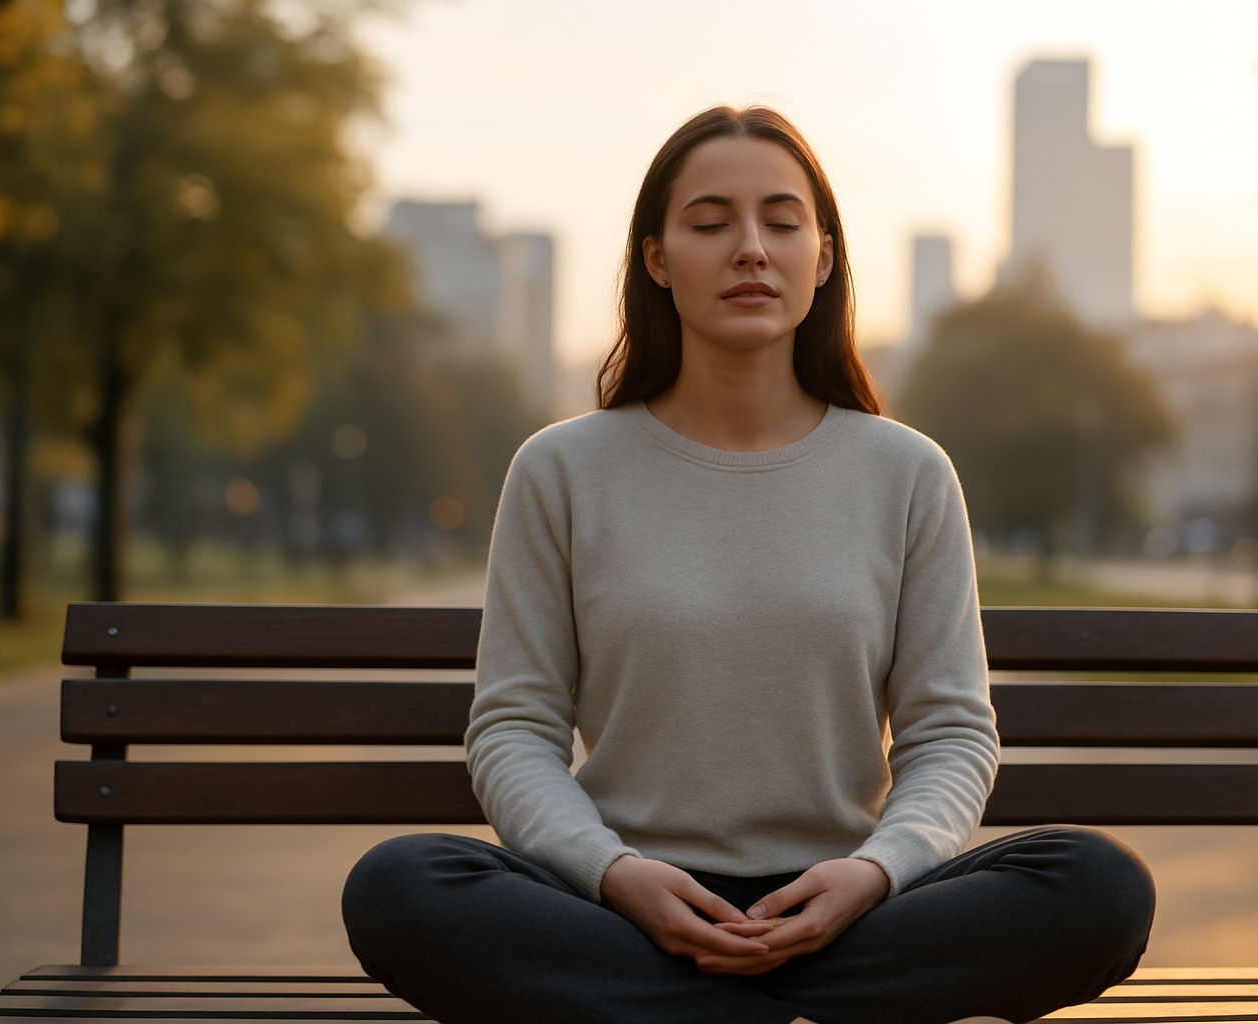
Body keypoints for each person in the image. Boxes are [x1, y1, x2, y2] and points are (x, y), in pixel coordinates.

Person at [342, 105, 1155, 1024]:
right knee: (398, 885)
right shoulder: (561, 469)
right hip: (623, 907)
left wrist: (872, 875)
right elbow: (513, 730)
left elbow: (951, 736)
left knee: (1099, 886)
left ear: (824, 255)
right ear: (657, 259)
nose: (750, 249)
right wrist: (616, 877)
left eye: (781, 220)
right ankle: (782, 1010)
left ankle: (697, 1012)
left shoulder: (908, 474)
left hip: (849, 908)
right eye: (709, 222)